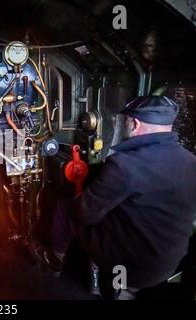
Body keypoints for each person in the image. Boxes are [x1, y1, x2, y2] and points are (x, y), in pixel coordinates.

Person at [44, 96, 196, 298]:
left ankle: (57, 262)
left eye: (125, 122)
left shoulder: (124, 164)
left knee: (66, 209)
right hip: (170, 262)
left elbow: (83, 214)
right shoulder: (191, 160)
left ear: (134, 124)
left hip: (130, 268)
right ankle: (100, 278)